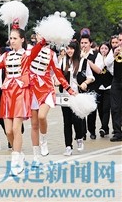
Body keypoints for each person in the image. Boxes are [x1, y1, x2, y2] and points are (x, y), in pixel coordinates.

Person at [0, 24, 40, 175]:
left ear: (22, 39)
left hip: (21, 92)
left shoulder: (27, 54)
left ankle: (16, 161)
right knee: (8, 130)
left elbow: (36, 50)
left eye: (15, 38)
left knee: (17, 128)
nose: (12, 41)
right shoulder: (6, 55)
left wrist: (42, 41)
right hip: (7, 92)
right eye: (10, 38)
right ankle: (19, 153)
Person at [29, 35, 75, 165]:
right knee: (34, 124)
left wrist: (69, 89)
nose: (41, 37)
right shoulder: (29, 51)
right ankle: (36, 155)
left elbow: (58, 72)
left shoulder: (51, 54)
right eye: (39, 35)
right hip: (32, 89)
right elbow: (31, 56)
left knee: (42, 117)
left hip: (46, 88)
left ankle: (44, 140)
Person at [59, 41, 94, 155]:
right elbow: (57, 75)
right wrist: (55, 81)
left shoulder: (83, 62)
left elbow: (90, 77)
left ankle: (79, 138)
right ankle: (68, 146)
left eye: (72, 48)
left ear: (76, 49)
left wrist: (85, 83)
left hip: (78, 96)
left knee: (77, 119)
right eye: (67, 48)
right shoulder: (63, 61)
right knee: (66, 122)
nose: (69, 51)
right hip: (65, 95)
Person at [105, 32, 122, 142]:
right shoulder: (114, 50)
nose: (119, 42)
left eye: (121, 40)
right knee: (115, 108)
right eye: (119, 40)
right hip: (116, 81)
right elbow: (106, 64)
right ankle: (117, 132)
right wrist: (113, 54)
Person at [95, 42, 113, 138]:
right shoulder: (97, 58)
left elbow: (112, 71)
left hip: (109, 86)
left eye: (106, 48)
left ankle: (103, 127)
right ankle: (105, 128)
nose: (103, 50)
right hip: (99, 87)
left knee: (106, 108)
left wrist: (107, 61)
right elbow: (97, 68)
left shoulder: (111, 58)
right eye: (102, 48)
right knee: (100, 108)